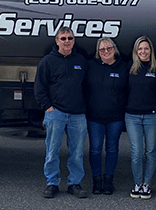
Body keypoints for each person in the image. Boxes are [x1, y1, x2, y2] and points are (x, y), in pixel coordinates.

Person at [34, 26, 88, 199]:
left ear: (74, 40)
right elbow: (39, 87)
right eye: (63, 38)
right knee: (52, 151)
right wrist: (48, 108)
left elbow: (88, 86)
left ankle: (74, 183)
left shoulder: (81, 60)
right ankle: (52, 183)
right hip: (55, 113)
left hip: (77, 114)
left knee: (77, 152)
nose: (67, 41)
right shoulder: (47, 61)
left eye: (70, 38)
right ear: (56, 41)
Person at [85, 37, 128, 195]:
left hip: (115, 117)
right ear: (98, 52)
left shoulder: (123, 67)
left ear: (115, 49)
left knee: (112, 149)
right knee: (95, 150)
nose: (106, 52)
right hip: (94, 117)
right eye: (102, 50)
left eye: (108, 48)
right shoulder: (90, 66)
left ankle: (108, 180)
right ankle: (97, 181)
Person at [125, 36, 156, 199]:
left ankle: (147, 185)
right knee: (136, 152)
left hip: (152, 117)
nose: (143, 52)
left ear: (151, 51)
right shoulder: (130, 68)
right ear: (135, 51)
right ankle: (137, 184)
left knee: (150, 151)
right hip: (132, 116)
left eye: (146, 48)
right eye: (140, 49)